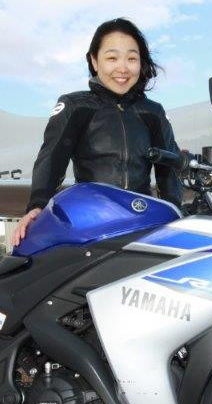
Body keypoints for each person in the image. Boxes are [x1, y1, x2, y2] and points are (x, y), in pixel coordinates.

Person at [10, 18, 183, 246]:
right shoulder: (76, 105)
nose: (122, 68)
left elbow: (168, 169)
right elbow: (52, 157)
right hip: (91, 226)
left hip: (145, 225)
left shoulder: (153, 112)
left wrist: (176, 213)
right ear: (94, 61)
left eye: (132, 58)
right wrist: (36, 206)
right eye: (112, 58)